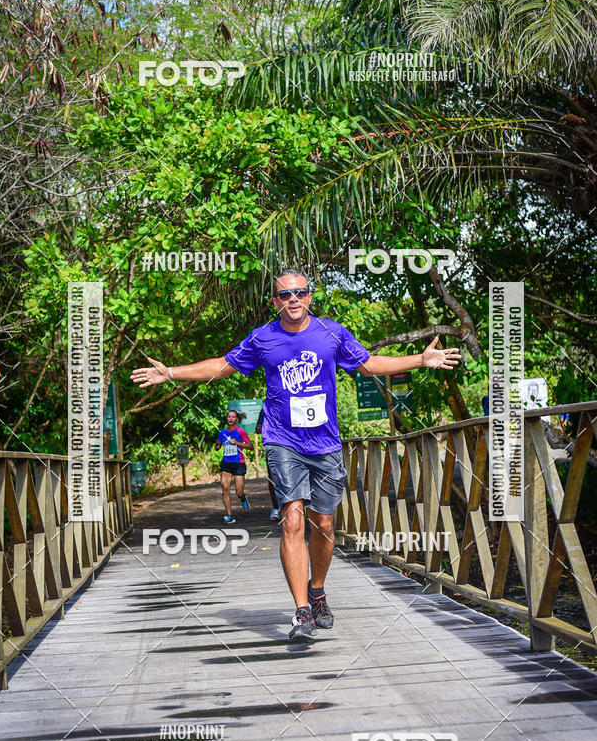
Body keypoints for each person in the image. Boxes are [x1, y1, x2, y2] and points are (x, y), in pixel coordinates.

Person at [131, 269, 461, 642]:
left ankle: (317, 590)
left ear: (309, 297)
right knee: (291, 519)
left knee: (323, 524)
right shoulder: (264, 338)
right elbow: (222, 367)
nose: (293, 299)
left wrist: (420, 359)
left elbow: (369, 364)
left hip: (324, 444)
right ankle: (302, 610)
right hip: (282, 441)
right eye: (285, 295)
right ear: (275, 302)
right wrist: (171, 372)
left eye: (300, 293)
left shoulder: (331, 333)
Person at [214, 409, 253, 524]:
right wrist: (217, 446)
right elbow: (218, 445)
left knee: (238, 491)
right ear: (227, 419)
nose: (230, 418)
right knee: (225, 488)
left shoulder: (240, 432)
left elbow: (250, 446)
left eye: (233, 417)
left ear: (237, 419)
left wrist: (238, 443)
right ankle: (229, 516)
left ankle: (243, 497)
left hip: (238, 463)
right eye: (229, 417)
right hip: (226, 463)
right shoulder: (222, 433)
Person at [255, 406, 280, 520]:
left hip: (291, 446)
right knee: (272, 478)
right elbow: (258, 428)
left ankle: (288, 506)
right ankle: (275, 507)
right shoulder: (266, 408)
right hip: (273, 447)